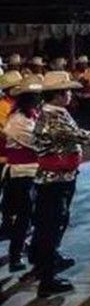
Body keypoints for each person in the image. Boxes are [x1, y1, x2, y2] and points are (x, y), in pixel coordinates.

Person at [31, 71, 90, 296]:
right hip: (54, 180)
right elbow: (80, 136)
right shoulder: (52, 117)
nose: (70, 95)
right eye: (66, 91)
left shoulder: (55, 112)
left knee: (54, 222)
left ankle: (48, 261)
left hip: (60, 177)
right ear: (57, 94)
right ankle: (47, 278)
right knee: (51, 225)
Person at [2, 74, 42, 271]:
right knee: (24, 216)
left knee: (29, 216)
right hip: (21, 173)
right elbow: (36, 143)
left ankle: (24, 250)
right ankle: (15, 255)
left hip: (30, 171)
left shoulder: (29, 115)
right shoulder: (18, 120)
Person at [0, 69, 23, 240]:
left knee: (13, 194)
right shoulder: (3, 106)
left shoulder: (18, 106)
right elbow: (6, 132)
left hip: (14, 156)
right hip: (5, 156)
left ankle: (10, 224)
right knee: (10, 193)